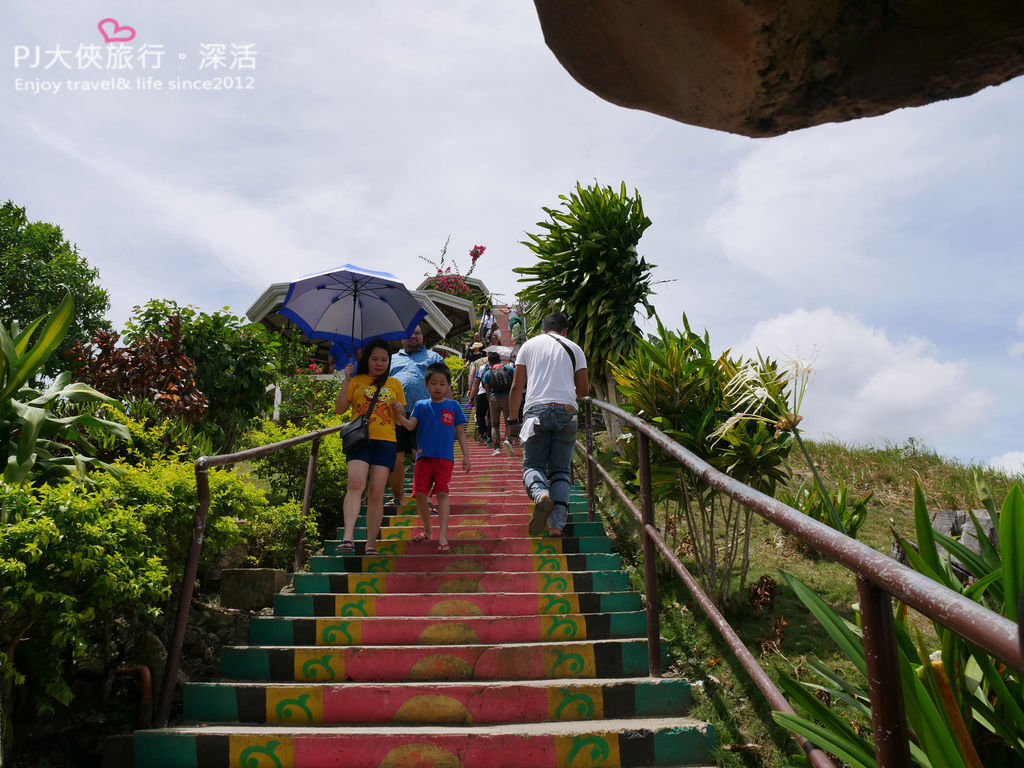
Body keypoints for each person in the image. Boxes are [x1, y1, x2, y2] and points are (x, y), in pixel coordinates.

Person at [508, 311, 589, 537]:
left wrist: (512, 419)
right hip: (567, 411)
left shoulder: (528, 346)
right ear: (565, 331)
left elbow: (516, 387)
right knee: (561, 471)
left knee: (533, 466)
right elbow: (583, 391)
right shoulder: (575, 348)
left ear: (543, 329)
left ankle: (541, 494)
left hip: (536, 411)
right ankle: (556, 526)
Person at [335, 338, 405, 555]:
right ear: (367, 359)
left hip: (386, 441)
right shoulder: (356, 380)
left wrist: (397, 410)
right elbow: (340, 409)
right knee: (356, 483)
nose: (379, 363)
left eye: (384, 359)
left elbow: (402, 418)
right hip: (360, 439)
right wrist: (346, 379)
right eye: (375, 358)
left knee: (377, 492)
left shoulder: (395, 384)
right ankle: (348, 537)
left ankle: (370, 544)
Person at [391, 362, 471, 551]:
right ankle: (427, 530)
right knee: (420, 494)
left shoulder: (453, 406)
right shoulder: (421, 405)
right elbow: (410, 426)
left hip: (445, 458)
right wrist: (398, 416)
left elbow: (460, 432)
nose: (438, 387)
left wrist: (466, 456)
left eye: (442, 383)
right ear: (426, 384)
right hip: (423, 457)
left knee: (442, 493)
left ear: (448, 386)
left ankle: (443, 536)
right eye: (434, 383)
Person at [388, 325, 443, 508]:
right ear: (401, 338)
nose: (413, 336)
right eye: (409, 334)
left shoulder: (433, 358)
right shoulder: (391, 359)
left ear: (422, 337)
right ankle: (398, 498)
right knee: (394, 458)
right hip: (394, 415)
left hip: (425, 414)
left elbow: (444, 387)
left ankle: (425, 499)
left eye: (417, 333)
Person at [481, 351, 515, 456]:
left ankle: (497, 448)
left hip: (494, 398)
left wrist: (490, 401)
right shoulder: (509, 369)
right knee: (508, 422)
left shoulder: (487, 373)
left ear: (490, 362)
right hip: (507, 398)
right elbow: (515, 384)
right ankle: (508, 441)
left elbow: (487, 390)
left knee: (495, 425)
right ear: (500, 359)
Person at [466, 356, 491, 444]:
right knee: (490, 415)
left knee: (480, 415)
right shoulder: (501, 367)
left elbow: (475, 381)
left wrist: (471, 396)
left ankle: (482, 433)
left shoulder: (481, 366)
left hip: (482, 393)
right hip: (494, 394)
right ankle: (490, 436)